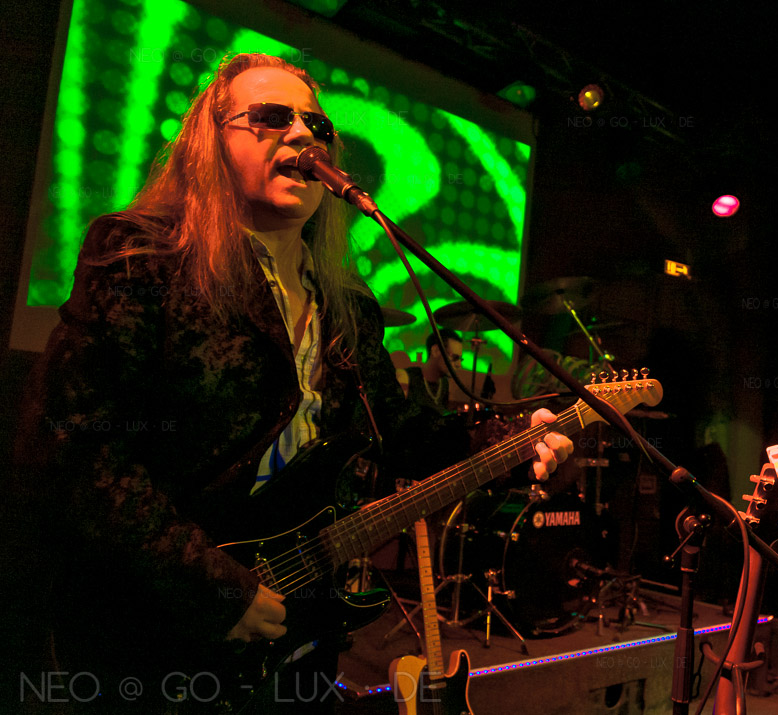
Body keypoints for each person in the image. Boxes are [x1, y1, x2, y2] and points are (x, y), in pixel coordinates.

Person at [16, 52, 572, 713]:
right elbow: (73, 448)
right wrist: (214, 586)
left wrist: (514, 441)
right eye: (272, 117)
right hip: (145, 628)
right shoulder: (143, 257)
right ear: (209, 144)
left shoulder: (348, 304)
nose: (305, 134)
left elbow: (404, 434)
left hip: (296, 633)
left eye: (317, 125)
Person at [396, 327, 463, 412]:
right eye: (454, 357)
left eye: (460, 359)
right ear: (436, 351)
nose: (459, 365)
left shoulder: (444, 383)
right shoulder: (406, 377)